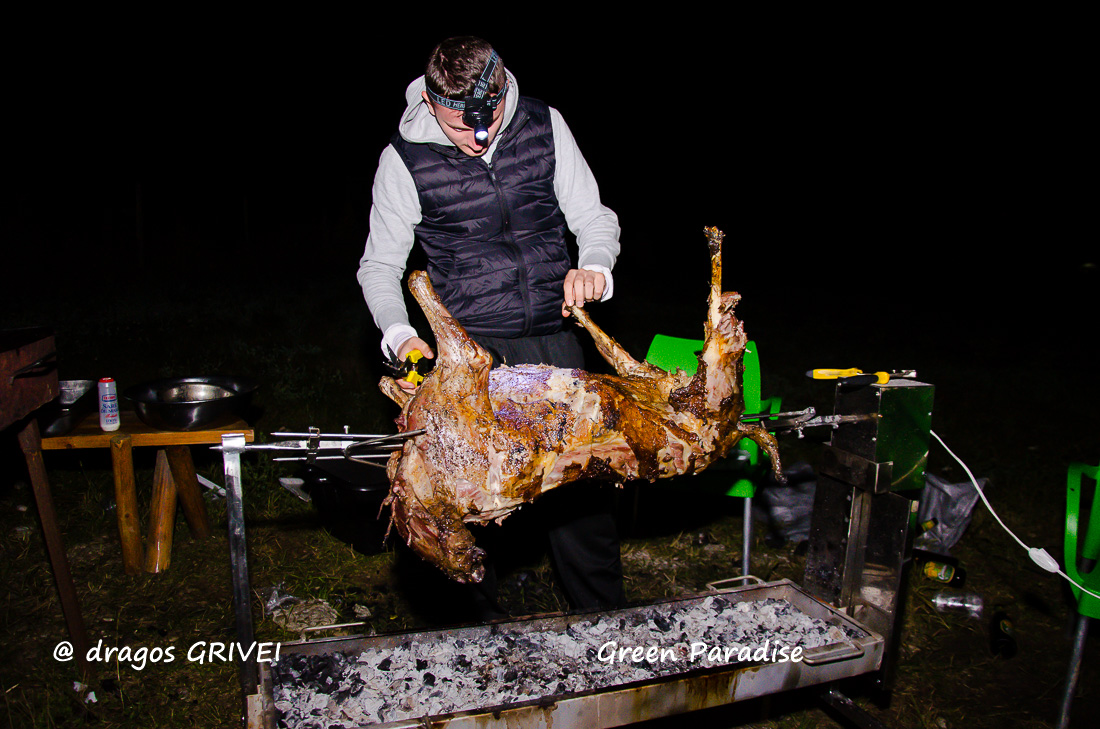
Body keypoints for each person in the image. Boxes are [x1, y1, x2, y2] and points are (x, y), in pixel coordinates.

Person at [357, 36, 625, 613]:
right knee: (471, 505)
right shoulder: (404, 160)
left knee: (581, 502)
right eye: (461, 125)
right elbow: (379, 266)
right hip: (471, 355)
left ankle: (606, 627)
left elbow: (592, 216)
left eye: (491, 118)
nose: (479, 138)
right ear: (431, 104)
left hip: (555, 340)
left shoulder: (544, 124)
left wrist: (595, 266)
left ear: (504, 88)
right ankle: (477, 639)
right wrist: (400, 335)